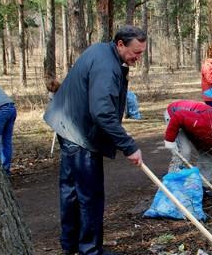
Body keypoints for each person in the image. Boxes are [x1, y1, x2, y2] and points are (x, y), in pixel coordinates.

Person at [43, 25, 146, 255]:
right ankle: (90, 250)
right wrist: (129, 146)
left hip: (67, 126)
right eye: (136, 53)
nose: (138, 58)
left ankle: (71, 246)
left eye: (141, 53)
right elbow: (101, 112)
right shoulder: (107, 66)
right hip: (78, 134)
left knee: (71, 192)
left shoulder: (103, 52)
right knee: (89, 195)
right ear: (120, 44)